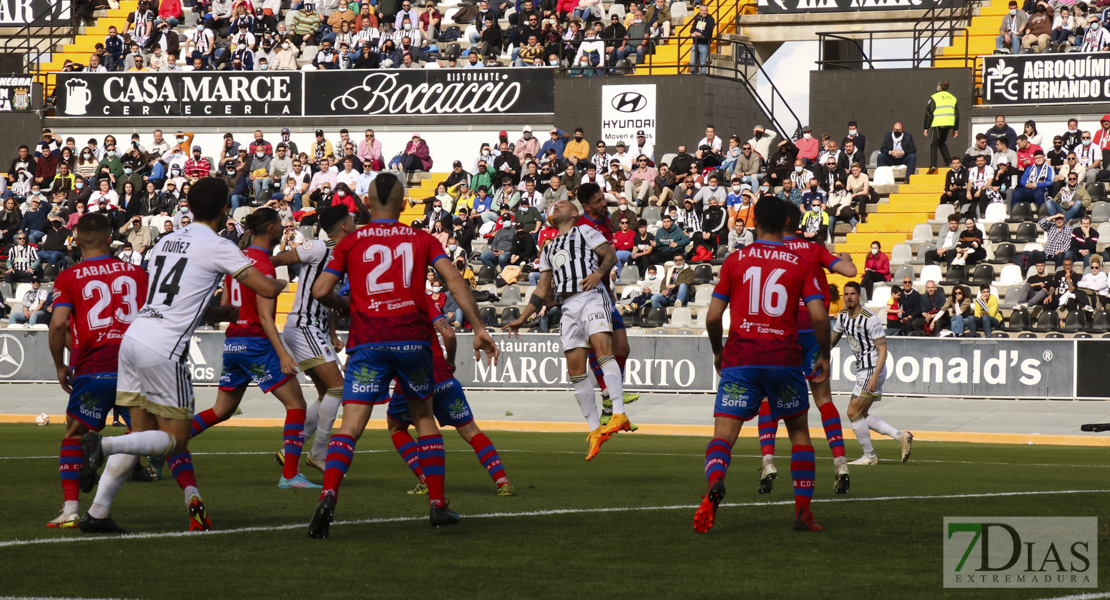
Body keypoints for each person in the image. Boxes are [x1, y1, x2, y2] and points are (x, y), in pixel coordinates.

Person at [77, 178, 286, 534]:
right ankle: (102, 444)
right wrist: (288, 277)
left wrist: (223, 313)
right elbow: (266, 286)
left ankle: (97, 513)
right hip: (164, 347)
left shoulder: (165, 240)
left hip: (136, 336)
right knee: (176, 438)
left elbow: (179, 298)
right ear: (225, 210)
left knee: (141, 432)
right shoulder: (218, 245)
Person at [306, 173, 498, 538]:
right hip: (412, 341)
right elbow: (455, 281)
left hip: (368, 343)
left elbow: (320, 290)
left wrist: (345, 305)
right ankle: (438, 505)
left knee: (350, 427)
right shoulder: (421, 237)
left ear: (367, 202)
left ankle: (329, 493)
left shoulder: (351, 241)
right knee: (424, 418)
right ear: (402, 203)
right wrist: (478, 327)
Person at [695, 196, 831, 534]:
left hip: (741, 357)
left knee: (723, 435)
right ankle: (802, 513)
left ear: (753, 220)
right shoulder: (799, 262)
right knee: (799, 432)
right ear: (787, 221)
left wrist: (717, 351)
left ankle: (715, 482)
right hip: (783, 358)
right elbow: (819, 317)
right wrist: (824, 354)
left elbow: (713, 316)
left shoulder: (735, 259)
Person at [504, 198, 631, 461]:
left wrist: (598, 275)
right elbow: (542, 289)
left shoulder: (584, 230)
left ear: (575, 212)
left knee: (603, 351)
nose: (557, 205)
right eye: (555, 205)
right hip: (568, 307)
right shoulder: (548, 248)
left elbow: (609, 254)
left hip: (592, 296)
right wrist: (522, 317)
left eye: (564, 203)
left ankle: (618, 413)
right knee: (575, 371)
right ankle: (595, 429)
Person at [45, 214, 147, 528]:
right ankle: (103, 505)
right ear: (109, 238)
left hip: (92, 367)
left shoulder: (69, 276)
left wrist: (61, 365)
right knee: (148, 437)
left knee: (74, 435)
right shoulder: (138, 273)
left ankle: (72, 509)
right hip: (134, 367)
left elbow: (59, 323)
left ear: (75, 240)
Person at [757, 204, 857, 495]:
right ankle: (840, 462)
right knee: (824, 399)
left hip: (782, 330)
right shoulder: (813, 249)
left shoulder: (769, 250)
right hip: (814, 331)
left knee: (769, 396)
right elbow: (850, 270)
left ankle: (767, 460)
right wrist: (845, 256)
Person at [388, 295, 515, 496]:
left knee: (396, 428)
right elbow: (449, 335)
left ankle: (425, 479)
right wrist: (451, 362)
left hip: (411, 384)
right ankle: (502, 482)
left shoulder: (378, 306)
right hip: (443, 378)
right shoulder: (422, 299)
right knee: (472, 432)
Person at [834, 282, 912, 466]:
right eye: (846, 294)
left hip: (872, 369)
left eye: (853, 293)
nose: (849, 297)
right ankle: (900, 436)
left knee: (853, 412)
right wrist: (820, 355)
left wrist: (875, 377)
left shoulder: (870, 319)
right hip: (862, 369)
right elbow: (833, 339)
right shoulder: (842, 316)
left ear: (859, 296)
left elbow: (883, 350)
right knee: (861, 414)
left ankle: (869, 456)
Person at [923, 81, 958, 175]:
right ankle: (948, 162)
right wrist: (955, 128)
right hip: (949, 123)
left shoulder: (934, 97)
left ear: (940, 87)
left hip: (938, 123)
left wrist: (926, 127)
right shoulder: (952, 97)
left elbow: (929, 112)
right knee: (941, 142)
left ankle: (932, 165)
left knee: (933, 144)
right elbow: (957, 113)